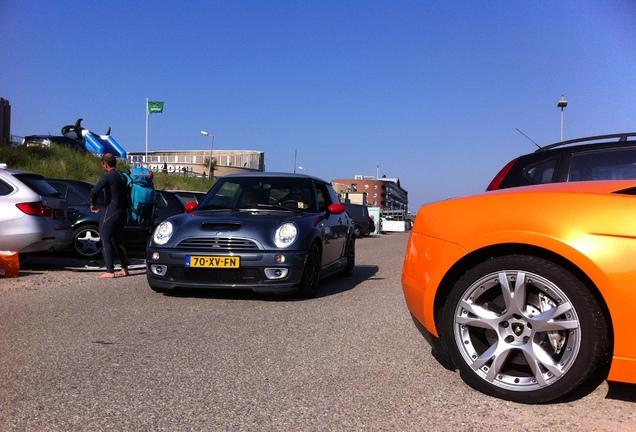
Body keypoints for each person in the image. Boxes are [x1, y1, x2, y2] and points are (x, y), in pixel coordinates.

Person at [90, 153, 130, 279]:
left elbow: (94, 190)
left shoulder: (108, 177)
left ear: (105, 164)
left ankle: (109, 271)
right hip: (123, 213)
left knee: (105, 239)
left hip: (111, 211)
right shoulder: (122, 176)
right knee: (117, 241)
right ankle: (125, 269)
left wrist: (93, 203)